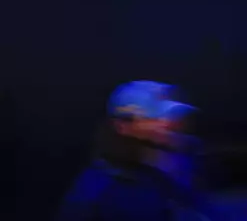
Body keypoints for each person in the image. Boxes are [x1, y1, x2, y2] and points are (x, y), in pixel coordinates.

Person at [56, 80, 212, 221]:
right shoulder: (101, 190)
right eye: (156, 116)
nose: (169, 124)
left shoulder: (170, 170)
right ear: (123, 126)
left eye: (172, 116)